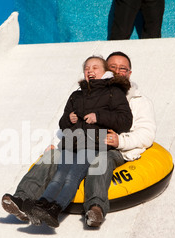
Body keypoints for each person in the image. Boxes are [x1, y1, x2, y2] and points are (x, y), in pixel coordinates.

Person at [2, 51, 156, 228]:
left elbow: (146, 133)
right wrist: (56, 143)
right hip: (83, 143)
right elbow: (71, 122)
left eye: (123, 68)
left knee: (100, 160)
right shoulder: (88, 93)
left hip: (117, 148)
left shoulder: (138, 100)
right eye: (112, 67)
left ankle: (95, 208)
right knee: (52, 157)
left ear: (129, 73)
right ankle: (22, 200)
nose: (117, 71)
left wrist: (120, 141)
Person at [27, 56, 133, 228]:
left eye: (95, 68)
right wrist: (69, 119)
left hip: (93, 145)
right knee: (59, 176)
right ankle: (42, 204)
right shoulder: (77, 95)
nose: (90, 71)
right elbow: (63, 123)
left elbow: (125, 120)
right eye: (87, 68)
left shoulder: (113, 92)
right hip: (73, 145)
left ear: (105, 71)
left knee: (71, 177)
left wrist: (99, 116)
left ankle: (56, 208)